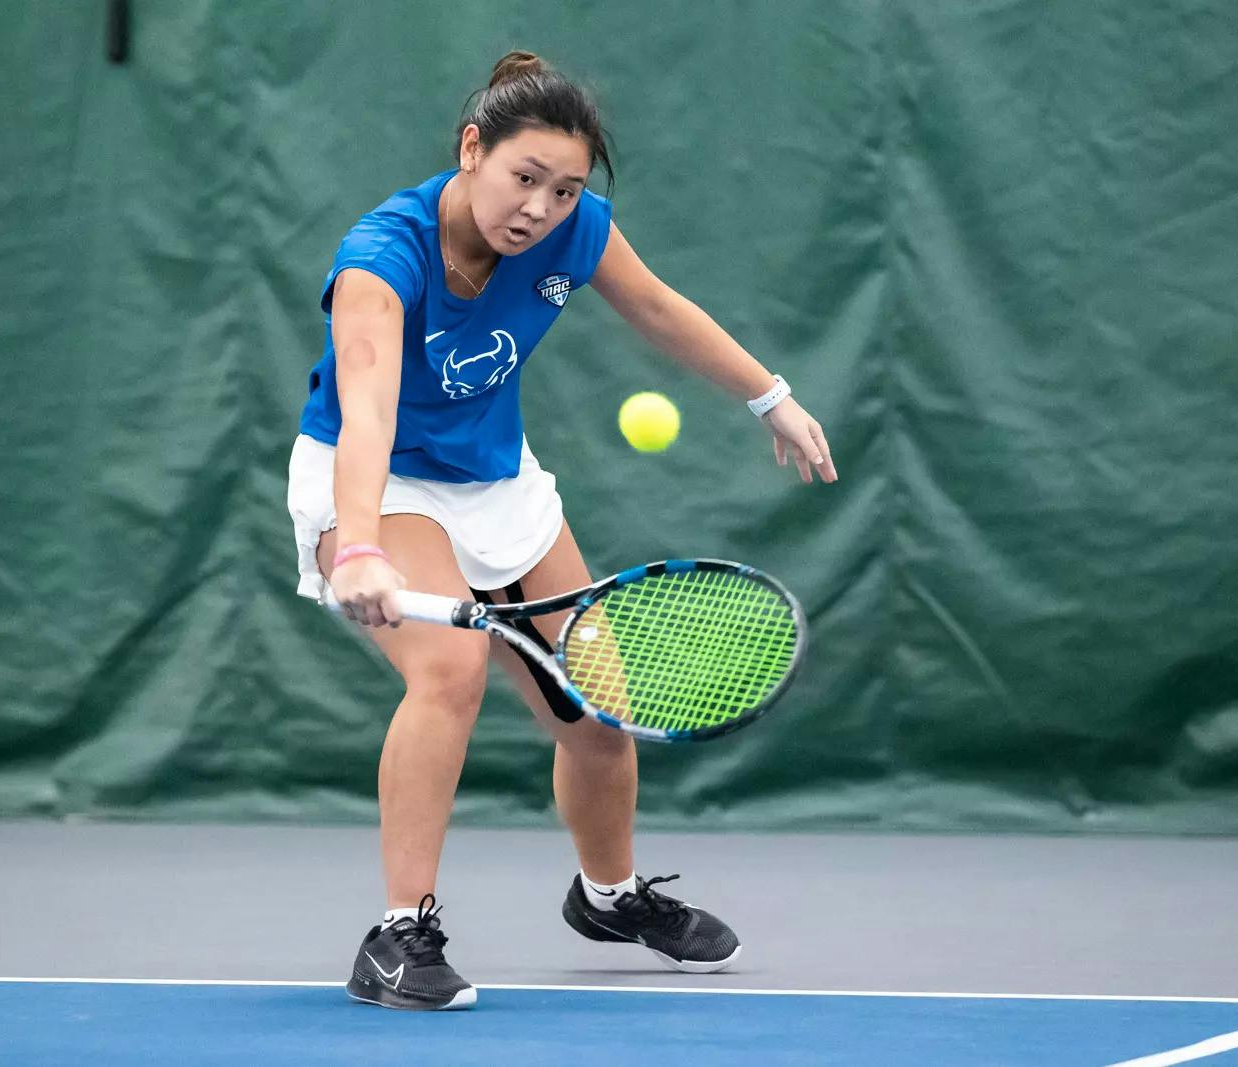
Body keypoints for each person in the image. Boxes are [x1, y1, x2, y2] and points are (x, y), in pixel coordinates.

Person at [286, 50, 838, 1011]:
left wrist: (771, 397)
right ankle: (398, 933)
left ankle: (609, 896)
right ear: (472, 149)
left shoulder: (575, 231)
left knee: (597, 711)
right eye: (525, 178)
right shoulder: (382, 257)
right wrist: (362, 543)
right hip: (374, 477)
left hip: (497, 479)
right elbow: (368, 408)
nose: (539, 208)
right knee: (449, 671)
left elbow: (657, 307)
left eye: (564, 189)